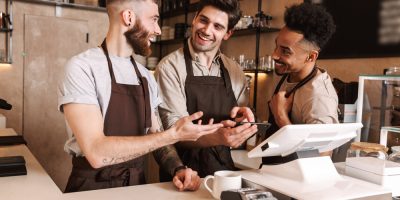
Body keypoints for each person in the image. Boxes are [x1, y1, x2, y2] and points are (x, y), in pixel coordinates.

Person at [58, 0, 222, 192]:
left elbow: (156, 137)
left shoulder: (145, 76)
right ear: (128, 17)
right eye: (153, 19)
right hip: (90, 188)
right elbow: (96, 153)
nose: (158, 30)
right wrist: (173, 135)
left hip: (137, 187)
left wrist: (177, 168)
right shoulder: (82, 68)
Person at [155, 0, 258, 180]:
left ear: (228, 33)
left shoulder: (235, 71)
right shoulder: (169, 67)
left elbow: (235, 125)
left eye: (218, 26)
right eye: (203, 20)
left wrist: (241, 121)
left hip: (223, 172)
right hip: (182, 174)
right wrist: (218, 137)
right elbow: (174, 133)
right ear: (194, 19)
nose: (207, 30)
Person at [262, 3, 338, 164]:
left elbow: (320, 160)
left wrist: (281, 117)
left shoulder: (319, 97)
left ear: (311, 57)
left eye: (285, 51)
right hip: (274, 172)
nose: (274, 55)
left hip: (298, 185)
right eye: (276, 46)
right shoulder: (288, 73)